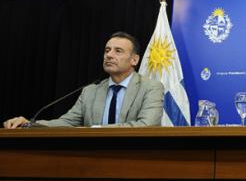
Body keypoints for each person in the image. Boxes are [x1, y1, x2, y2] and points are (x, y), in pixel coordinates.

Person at [3, 32, 164, 128]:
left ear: (134, 60)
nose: (109, 55)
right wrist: (29, 124)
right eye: (107, 50)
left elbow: (147, 125)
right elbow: (66, 123)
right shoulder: (90, 91)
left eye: (118, 51)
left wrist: (98, 130)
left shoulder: (151, 87)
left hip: (134, 159)